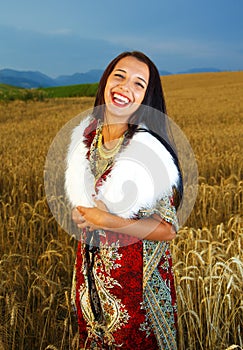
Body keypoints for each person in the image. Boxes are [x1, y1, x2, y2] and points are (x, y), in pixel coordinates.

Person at [65, 51, 183, 350]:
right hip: (92, 278)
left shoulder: (148, 151)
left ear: (146, 97)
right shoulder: (88, 141)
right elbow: (88, 203)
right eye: (119, 75)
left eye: (138, 83)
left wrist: (107, 220)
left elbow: (167, 229)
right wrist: (83, 215)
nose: (124, 86)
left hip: (135, 289)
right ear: (106, 80)